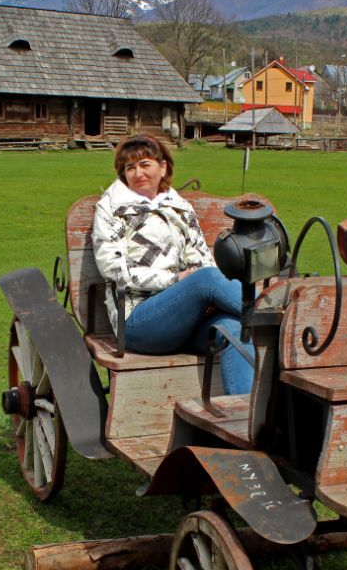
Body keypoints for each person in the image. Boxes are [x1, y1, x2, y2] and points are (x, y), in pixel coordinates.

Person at [91, 134, 255, 395]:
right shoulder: (111, 209)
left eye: (145, 164)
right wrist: (174, 280)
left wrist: (199, 286)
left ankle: (245, 424)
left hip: (187, 320)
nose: (137, 173)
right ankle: (276, 313)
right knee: (206, 279)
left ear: (163, 166)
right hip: (138, 319)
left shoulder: (180, 208)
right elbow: (113, 269)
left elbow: (200, 256)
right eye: (129, 167)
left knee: (234, 329)